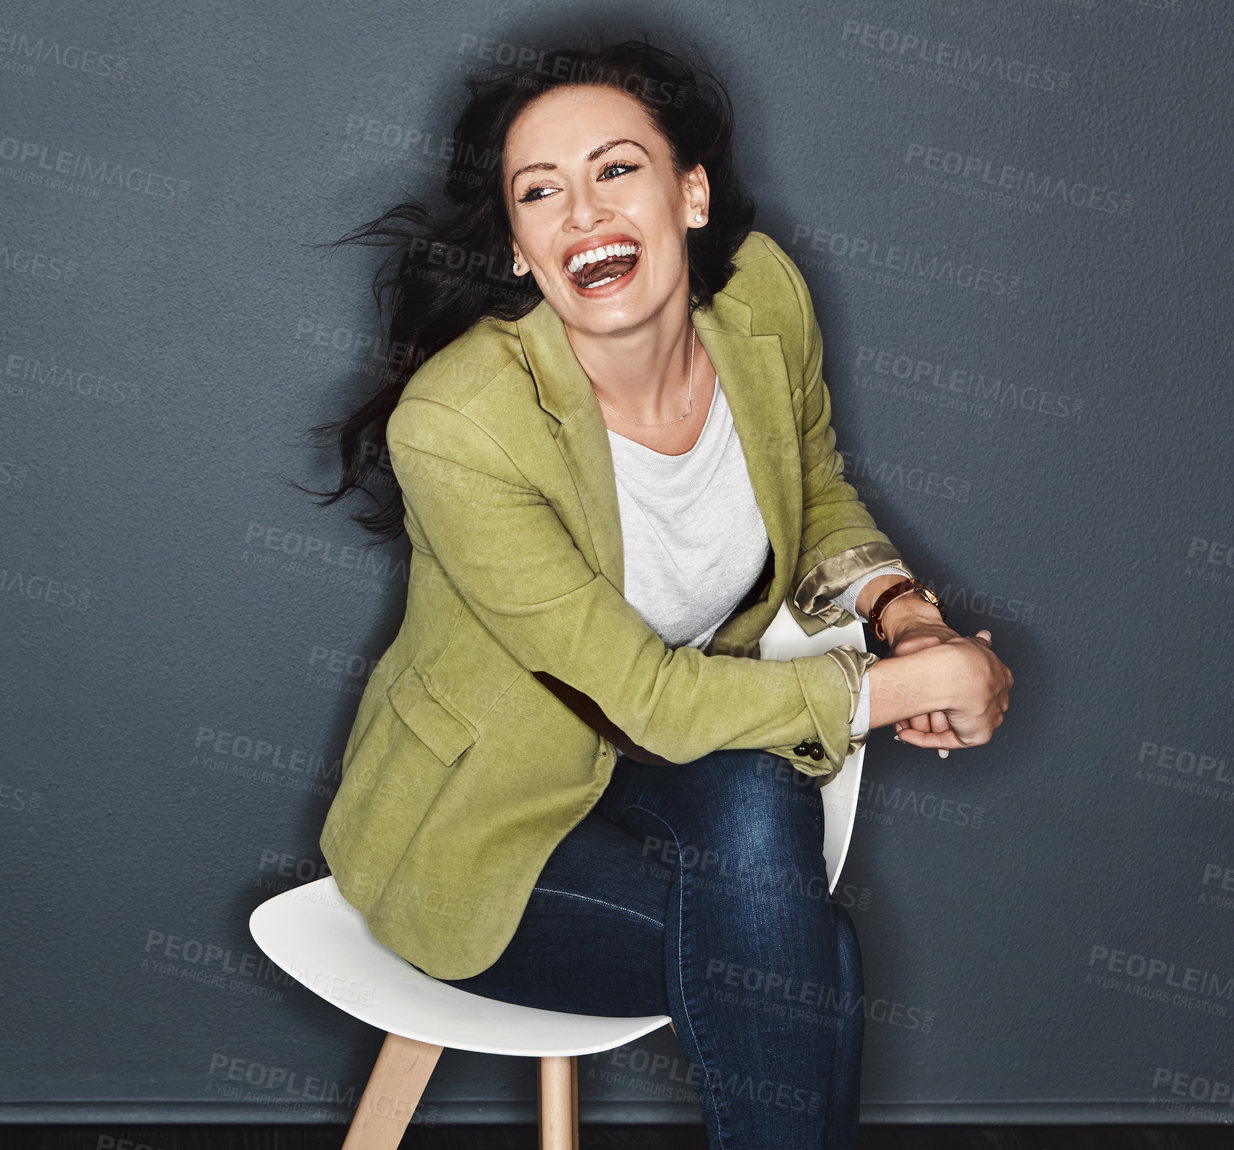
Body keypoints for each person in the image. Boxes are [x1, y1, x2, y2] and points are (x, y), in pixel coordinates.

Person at [306, 36, 1013, 1150]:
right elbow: (646, 696)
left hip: (689, 754)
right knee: (790, 959)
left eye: (616, 169)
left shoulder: (763, 301)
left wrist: (905, 619)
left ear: (688, 193)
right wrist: (899, 689)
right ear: (519, 253)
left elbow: (813, 484)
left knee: (754, 827)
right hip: (482, 830)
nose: (583, 212)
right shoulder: (456, 426)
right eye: (541, 192)